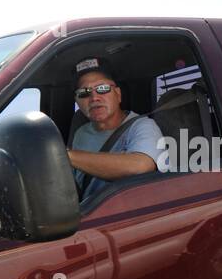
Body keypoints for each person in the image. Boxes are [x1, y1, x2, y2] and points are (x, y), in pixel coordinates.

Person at [67, 57, 163, 201]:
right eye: (84, 92)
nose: (94, 97)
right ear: (77, 101)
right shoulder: (80, 133)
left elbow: (140, 166)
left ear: (118, 94)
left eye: (102, 88)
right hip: (87, 212)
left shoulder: (143, 126)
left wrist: (66, 157)